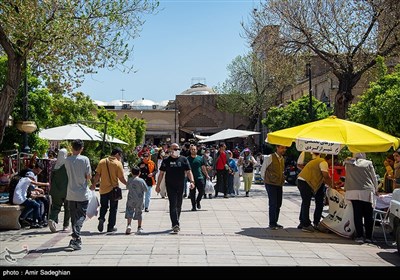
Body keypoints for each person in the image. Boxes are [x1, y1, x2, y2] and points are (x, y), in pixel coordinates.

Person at [155, 143, 195, 233]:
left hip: (181, 185)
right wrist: (158, 186)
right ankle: (175, 224)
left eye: (178, 148)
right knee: (173, 204)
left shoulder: (183, 159)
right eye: (174, 149)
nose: (176, 150)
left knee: (179, 205)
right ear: (170, 150)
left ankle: (176, 220)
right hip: (170, 185)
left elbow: (189, 171)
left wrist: (192, 182)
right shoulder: (166, 160)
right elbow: (161, 174)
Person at [64, 139, 92, 251]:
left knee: (73, 216)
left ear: (71, 147)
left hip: (70, 193)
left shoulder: (67, 160)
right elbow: (88, 176)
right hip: (82, 193)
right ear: (82, 148)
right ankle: (75, 237)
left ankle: (76, 239)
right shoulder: (85, 159)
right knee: (81, 216)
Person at [344, 153, 378, 243]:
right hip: (367, 191)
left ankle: (359, 236)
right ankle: (368, 237)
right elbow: (374, 177)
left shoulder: (348, 163)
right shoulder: (368, 163)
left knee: (357, 214)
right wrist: (376, 188)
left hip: (353, 191)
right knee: (368, 215)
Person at [91, 147, 127, 233]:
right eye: (120, 155)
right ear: (117, 154)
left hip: (103, 189)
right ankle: (110, 226)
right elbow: (121, 178)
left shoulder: (102, 161)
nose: (120, 157)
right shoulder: (118, 163)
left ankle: (102, 218)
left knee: (103, 206)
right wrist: (128, 184)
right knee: (113, 208)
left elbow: (97, 175)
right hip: (113, 189)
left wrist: (93, 184)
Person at [296, 153, 333, 232]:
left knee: (307, 202)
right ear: (330, 160)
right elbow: (326, 176)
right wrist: (332, 185)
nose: (331, 165)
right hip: (305, 181)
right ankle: (306, 224)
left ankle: (305, 222)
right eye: (332, 162)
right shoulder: (323, 162)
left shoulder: (320, 160)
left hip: (304, 181)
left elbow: (323, 178)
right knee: (306, 202)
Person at [260, 145, 287, 229]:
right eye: (282, 148)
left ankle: (275, 221)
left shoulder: (282, 159)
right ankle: (272, 223)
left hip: (279, 183)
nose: (284, 150)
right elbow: (263, 169)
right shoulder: (270, 157)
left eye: (285, 148)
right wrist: (265, 179)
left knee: (278, 203)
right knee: (273, 203)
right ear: (277, 148)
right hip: (270, 183)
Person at [48, 148, 70, 233]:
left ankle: (51, 219)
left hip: (55, 191)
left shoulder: (55, 165)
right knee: (67, 208)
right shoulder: (67, 165)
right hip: (66, 190)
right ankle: (65, 225)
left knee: (56, 207)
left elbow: (51, 179)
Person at [125, 166, 148, 235]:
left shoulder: (129, 180)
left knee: (129, 211)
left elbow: (127, 187)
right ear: (139, 173)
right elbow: (146, 189)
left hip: (130, 198)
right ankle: (139, 227)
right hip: (139, 199)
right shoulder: (141, 180)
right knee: (139, 212)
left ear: (131, 173)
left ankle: (129, 225)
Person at [187, 145, 208, 211]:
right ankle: (193, 206)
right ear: (190, 150)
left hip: (200, 176)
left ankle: (198, 201)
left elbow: (203, 167)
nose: (193, 150)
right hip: (191, 178)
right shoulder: (187, 159)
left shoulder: (200, 158)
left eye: (194, 149)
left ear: (197, 150)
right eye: (192, 149)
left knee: (202, 190)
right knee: (192, 193)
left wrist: (206, 175)